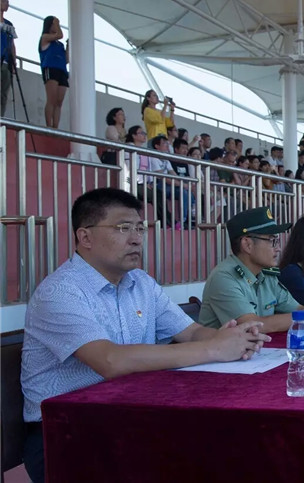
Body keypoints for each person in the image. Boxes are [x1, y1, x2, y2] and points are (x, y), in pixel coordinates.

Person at [20, 188, 269, 483]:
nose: (137, 238)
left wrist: (231, 337)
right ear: (85, 237)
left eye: (140, 228)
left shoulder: (140, 283)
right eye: (123, 228)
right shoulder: (60, 292)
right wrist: (215, 349)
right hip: (65, 431)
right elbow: (109, 360)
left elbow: (191, 333)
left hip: (129, 414)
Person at [198, 207, 304, 333]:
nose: (278, 248)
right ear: (247, 245)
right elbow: (252, 325)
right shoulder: (224, 278)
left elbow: (297, 309)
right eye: (272, 241)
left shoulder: (266, 275)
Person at [39, 15, 68, 128]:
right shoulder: (45, 37)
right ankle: (49, 125)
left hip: (62, 70)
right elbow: (59, 35)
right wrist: (56, 23)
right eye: (55, 24)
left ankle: (56, 126)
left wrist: (68, 46)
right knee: (51, 99)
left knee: (59, 101)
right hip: (50, 68)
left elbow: (66, 59)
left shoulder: (59, 44)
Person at [1, 0, 17, 117]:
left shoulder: (9, 24)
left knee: (3, 94)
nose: (7, 4)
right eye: (4, 1)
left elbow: (12, 44)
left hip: (6, 62)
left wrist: (14, 62)